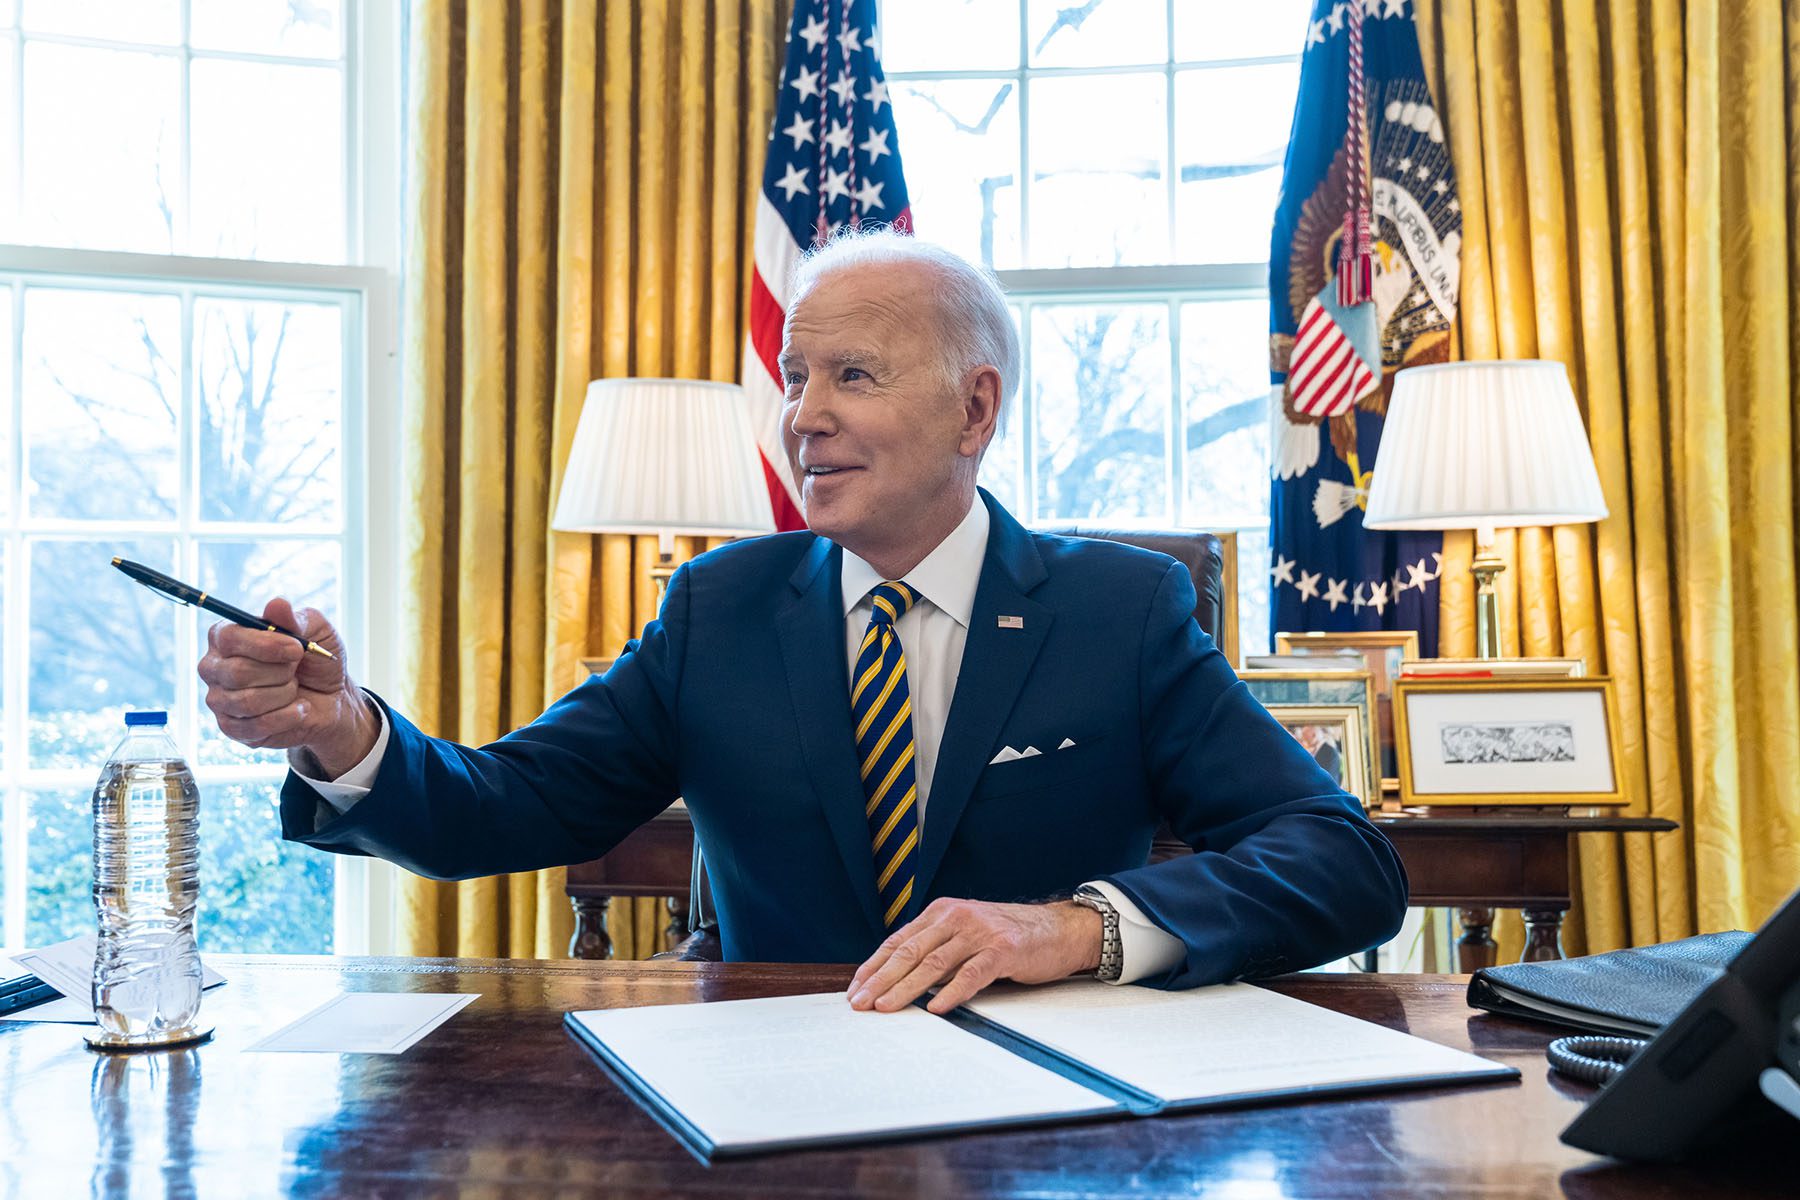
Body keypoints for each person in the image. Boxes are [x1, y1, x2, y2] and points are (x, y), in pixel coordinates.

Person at [197, 229, 1407, 1016]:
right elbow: (501, 806)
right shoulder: (717, 608)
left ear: (975, 408)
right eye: (794, 378)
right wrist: (346, 730)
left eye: (853, 378)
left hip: (1051, 1107)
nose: (802, 419)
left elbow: (1345, 863)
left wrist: (1076, 929)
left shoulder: (1119, 611)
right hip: (764, 1104)